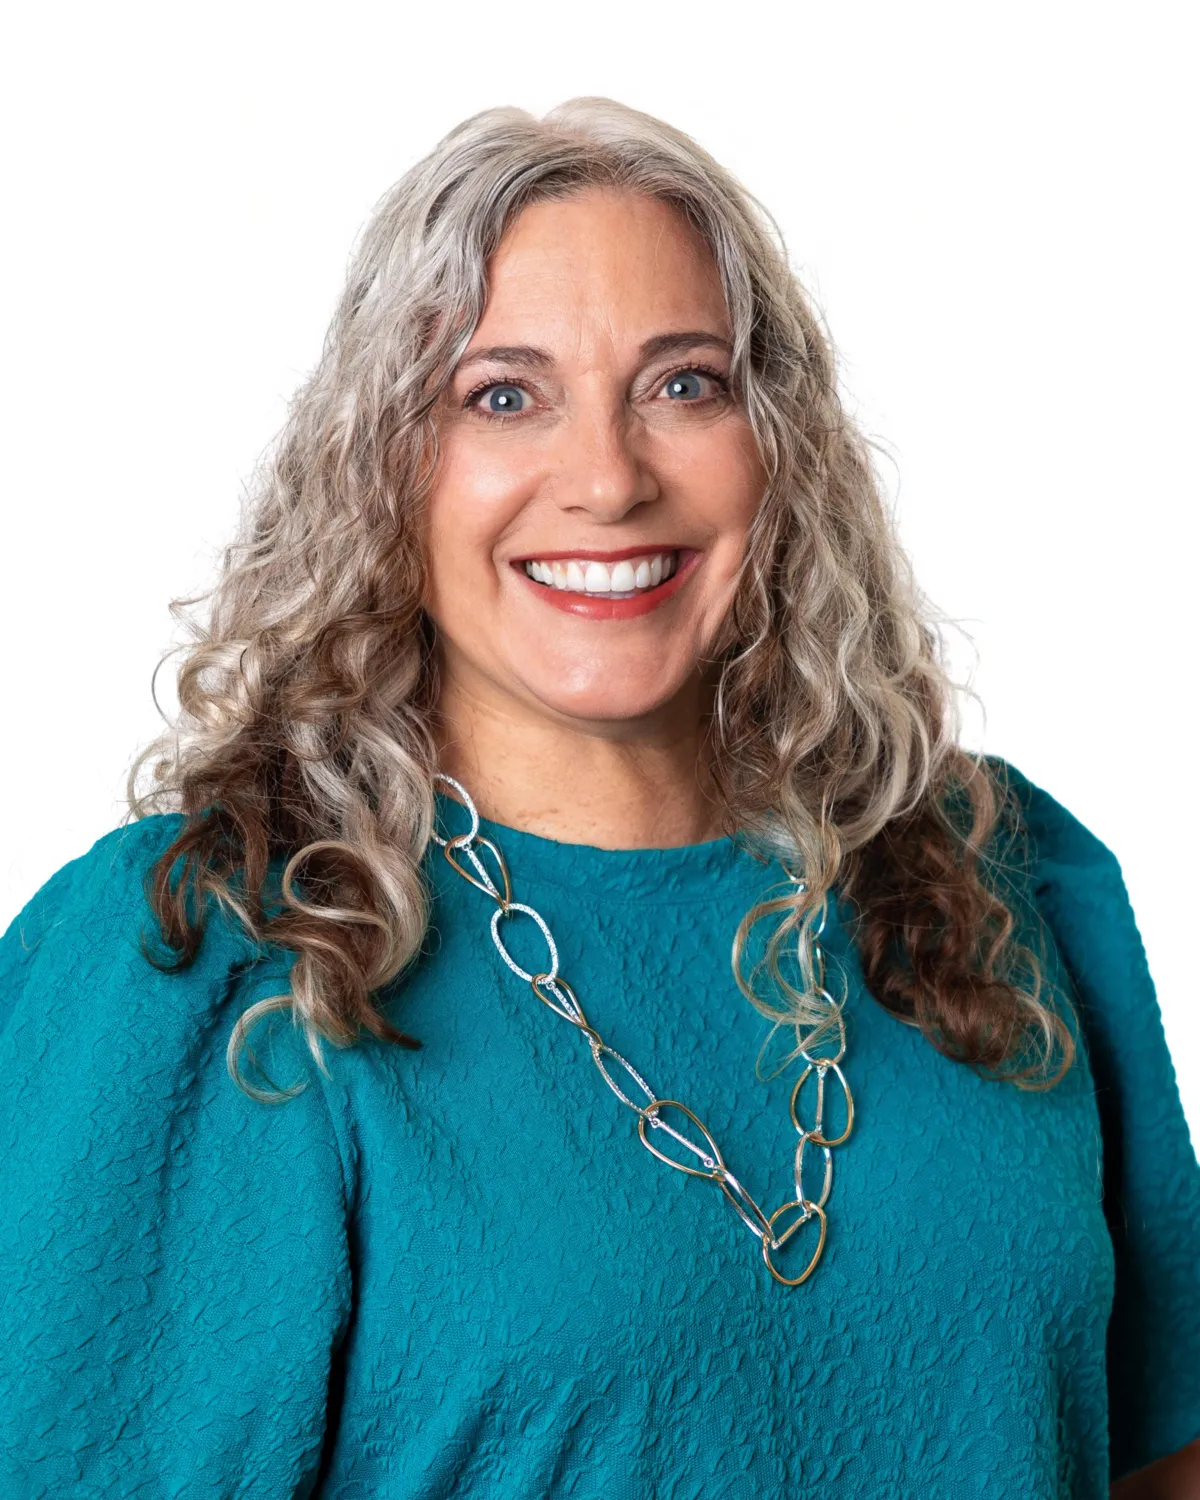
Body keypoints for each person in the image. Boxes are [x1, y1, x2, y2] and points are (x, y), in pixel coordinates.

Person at [1, 97, 1196, 1500]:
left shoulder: (998, 875)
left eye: (684, 384)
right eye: (503, 396)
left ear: (780, 442)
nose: (610, 480)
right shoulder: (204, 953)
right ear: (386, 466)